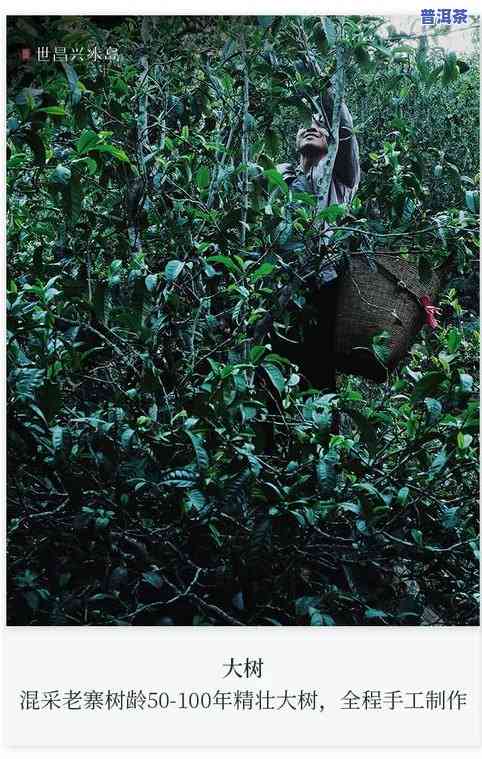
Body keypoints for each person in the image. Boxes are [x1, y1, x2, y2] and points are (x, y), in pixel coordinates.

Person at [272, 92, 361, 392]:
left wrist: (319, 87)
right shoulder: (277, 177)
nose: (312, 128)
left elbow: (345, 131)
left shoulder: (340, 177)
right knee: (268, 373)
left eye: (321, 127)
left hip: (322, 282)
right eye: (305, 127)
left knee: (317, 373)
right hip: (276, 285)